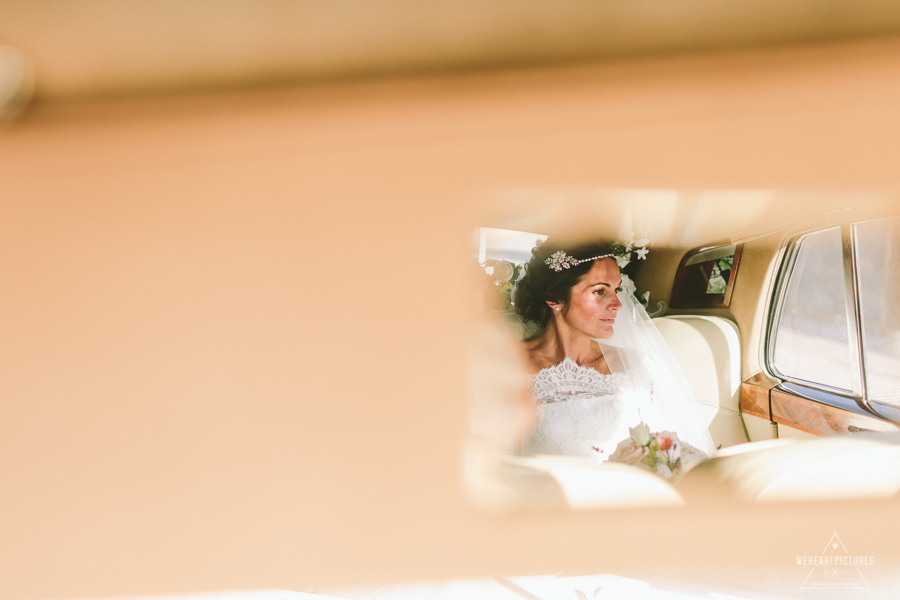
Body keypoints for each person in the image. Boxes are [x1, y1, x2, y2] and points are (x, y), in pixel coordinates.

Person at [513, 238, 716, 459]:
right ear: (555, 298)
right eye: (600, 291)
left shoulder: (636, 366)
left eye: (617, 289)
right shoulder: (507, 366)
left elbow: (667, 451)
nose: (617, 304)